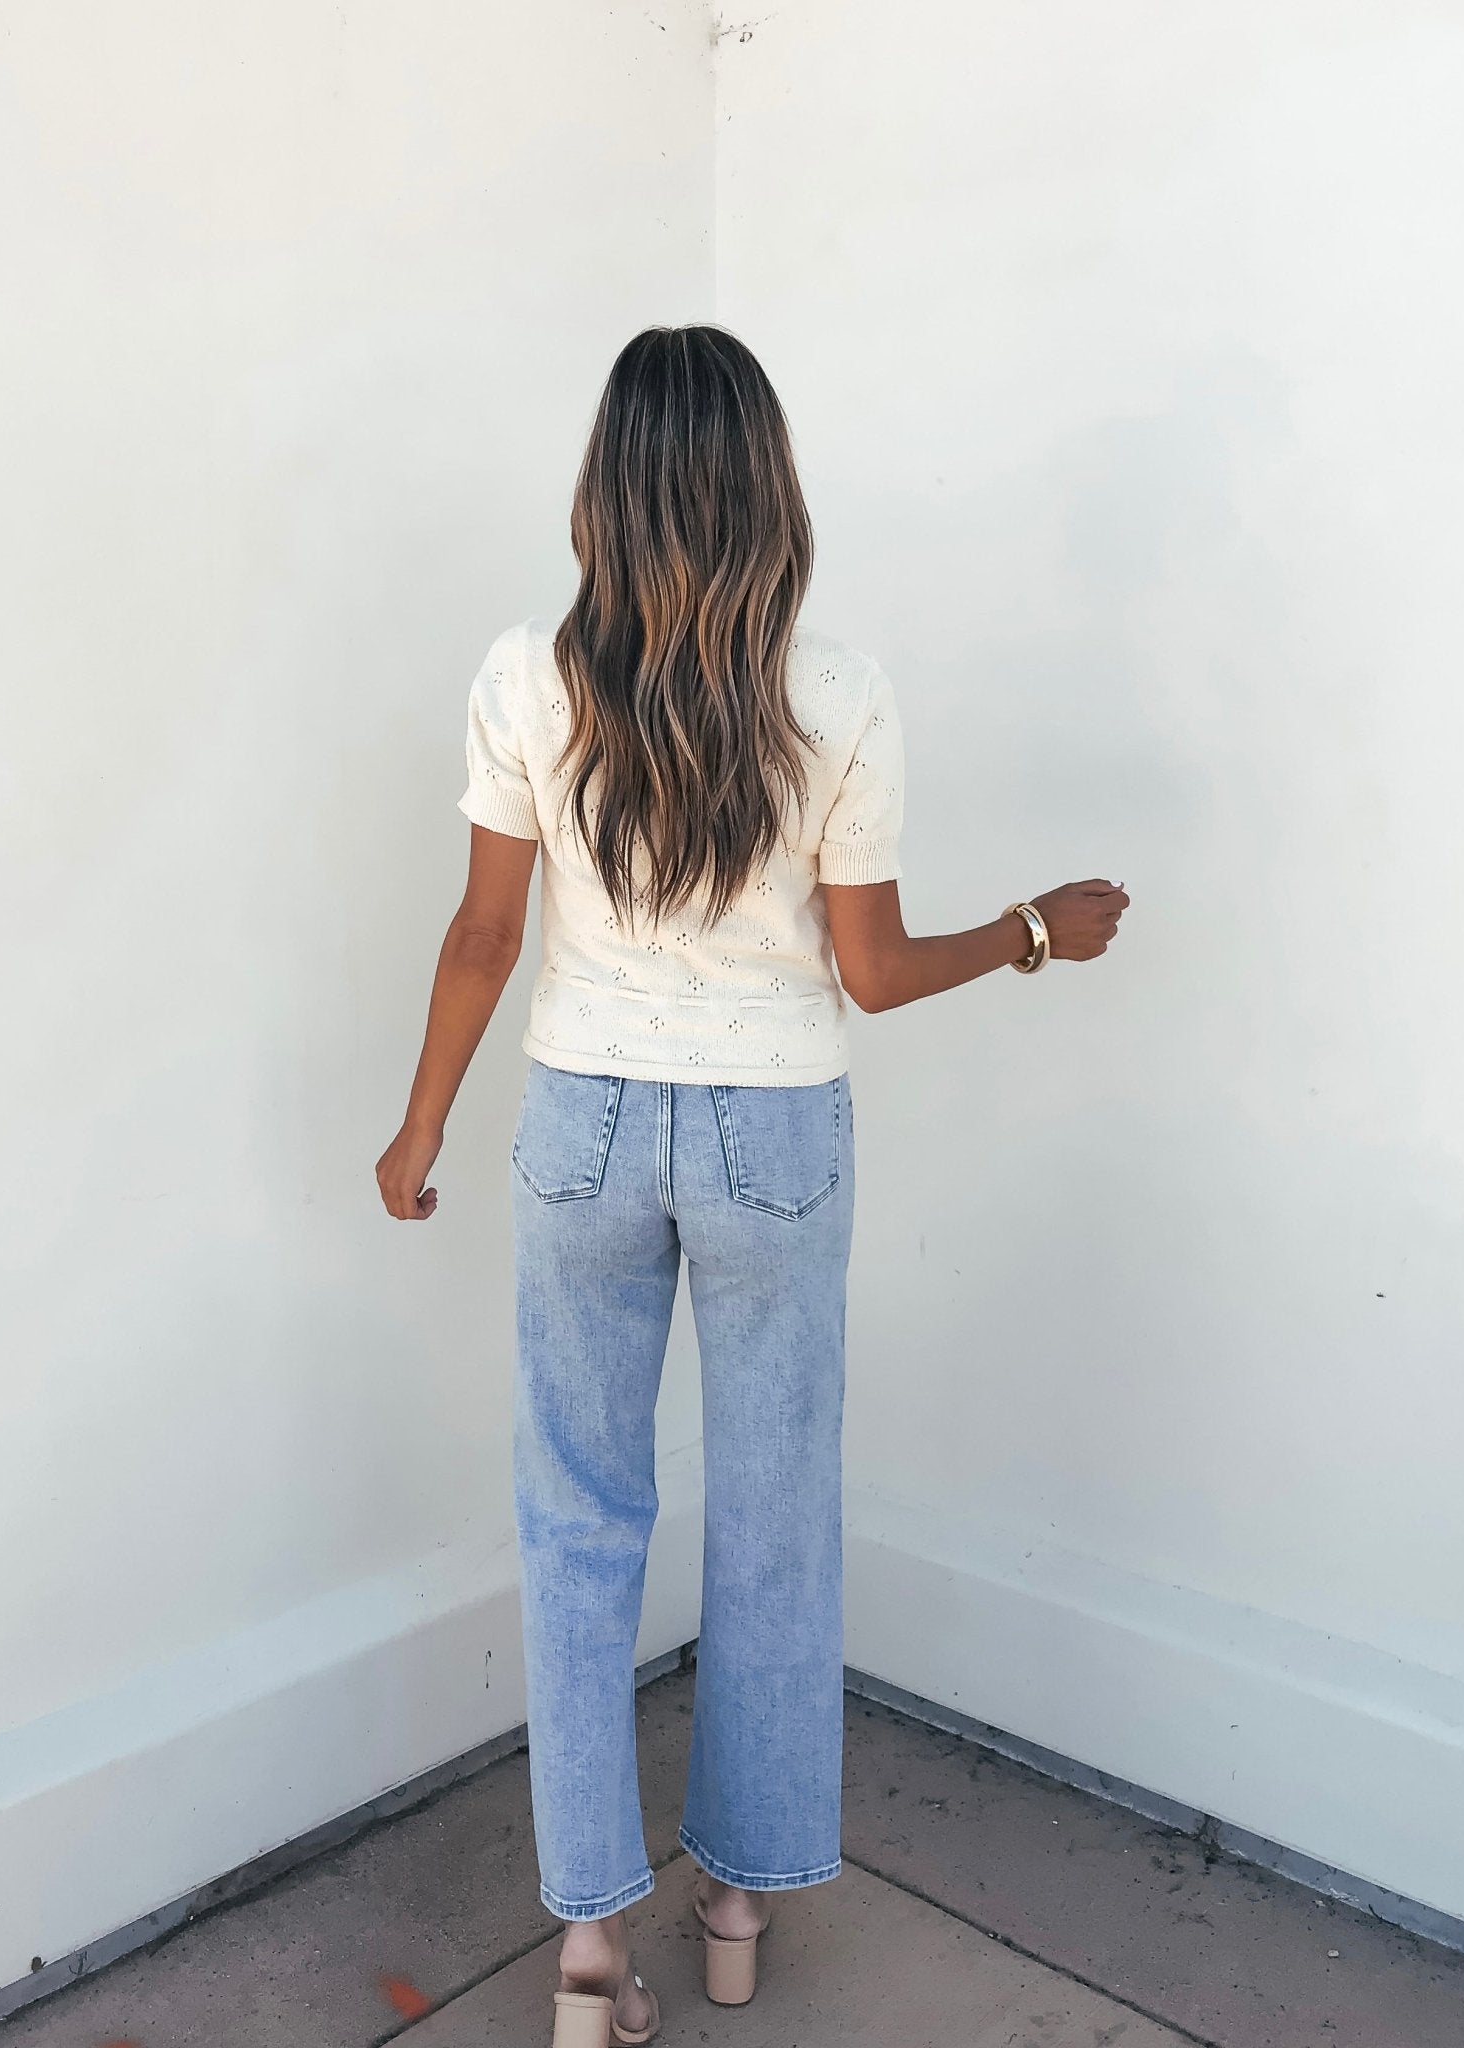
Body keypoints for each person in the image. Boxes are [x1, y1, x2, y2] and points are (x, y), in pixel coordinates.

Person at [375, 324, 1128, 2048]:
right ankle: (734, 1903)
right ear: (766, 486)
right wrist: (1027, 934)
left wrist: (419, 1123)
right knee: (776, 1517)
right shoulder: (839, 689)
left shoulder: (523, 676)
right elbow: (865, 972)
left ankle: (586, 1957)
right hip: (772, 1137)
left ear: (603, 486)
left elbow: (488, 931)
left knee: (577, 1520)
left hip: (574, 1127)